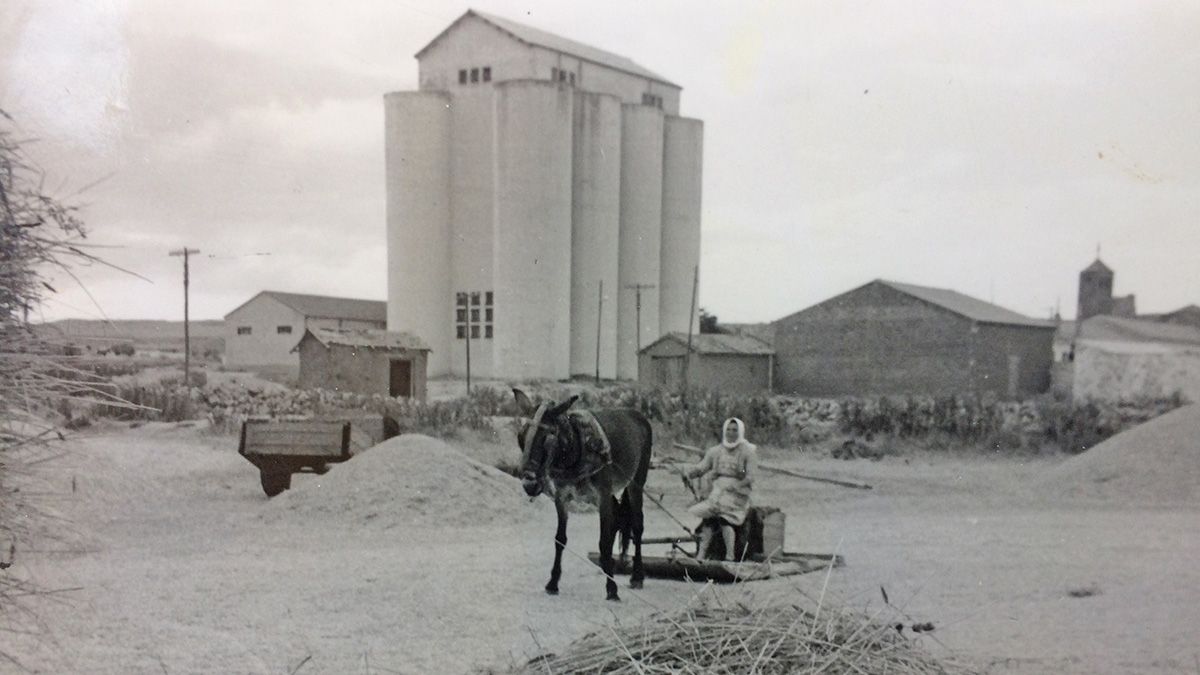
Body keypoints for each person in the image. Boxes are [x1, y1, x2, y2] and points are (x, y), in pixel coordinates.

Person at [674, 417, 758, 561]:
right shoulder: (716, 451)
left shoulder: (747, 452)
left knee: (725, 520)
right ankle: (701, 555)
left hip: (737, 494)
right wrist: (689, 473)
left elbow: (750, 477)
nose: (731, 433)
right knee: (708, 519)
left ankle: (729, 556)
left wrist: (736, 486)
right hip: (717, 492)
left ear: (740, 432)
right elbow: (702, 467)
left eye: (734, 430)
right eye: (728, 430)